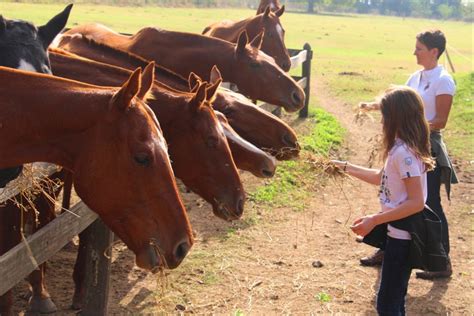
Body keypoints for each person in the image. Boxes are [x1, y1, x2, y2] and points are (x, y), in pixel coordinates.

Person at [333, 86, 447, 315]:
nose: (382, 121)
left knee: (388, 303)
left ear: (395, 117)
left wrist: (374, 219)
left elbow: (416, 202)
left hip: (403, 237)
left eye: (384, 115)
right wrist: (344, 167)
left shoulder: (404, 154)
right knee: (392, 299)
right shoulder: (400, 149)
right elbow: (380, 177)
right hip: (398, 233)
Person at [357, 30, 457, 280]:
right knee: (393, 194)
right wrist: (374, 105)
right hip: (407, 141)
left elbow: (441, 121)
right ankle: (387, 247)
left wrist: (412, 128)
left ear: (434, 52)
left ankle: (441, 261)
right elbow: (402, 103)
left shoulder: (443, 81)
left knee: (430, 203)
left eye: (419, 48)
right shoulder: (416, 76)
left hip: (426, 146)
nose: (414, 52)